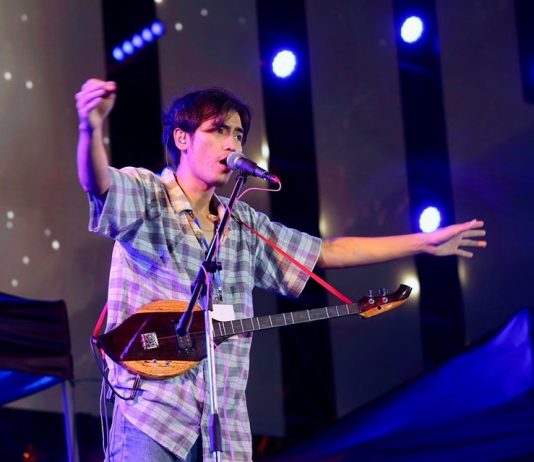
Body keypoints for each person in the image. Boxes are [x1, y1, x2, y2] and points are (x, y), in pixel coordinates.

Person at [75, 78, 486, 462]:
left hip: (224, 429)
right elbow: (99, 183)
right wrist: (90, 128)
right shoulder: (149, 195)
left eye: (238, 134)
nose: (232, 143)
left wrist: (422, 242)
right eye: (218, 130)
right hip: (153, 413)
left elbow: (326, 251)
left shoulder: (244, 224)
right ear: (182, 138)